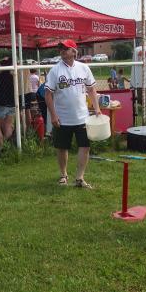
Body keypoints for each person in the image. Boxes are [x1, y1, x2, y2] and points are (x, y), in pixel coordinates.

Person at [45, 40, 101, 189]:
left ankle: (80, 178)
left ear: (74, 51)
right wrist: (53, 115)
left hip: (82, 117)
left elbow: (91, 89)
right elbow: (48, 94)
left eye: (66, 48)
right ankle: (63, 175)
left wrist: (97, 108)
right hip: (62, 118)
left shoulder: (84, 68)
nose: (62, 50)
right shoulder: (55, 70)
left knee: (85, 146)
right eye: (60, 48)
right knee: (62, 148)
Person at [0, 58, 16, 148]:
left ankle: (1, 147)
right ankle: (7, 145)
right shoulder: (12, 76)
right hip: (11, 103)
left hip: (0, 104)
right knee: (8, 125)